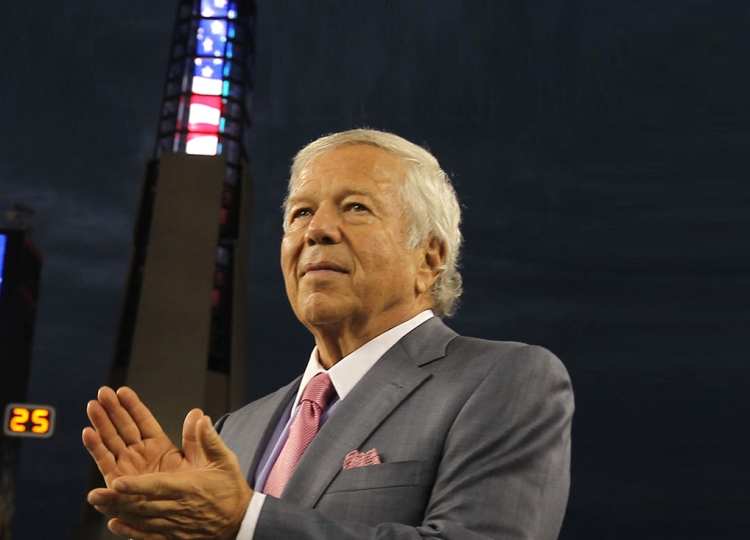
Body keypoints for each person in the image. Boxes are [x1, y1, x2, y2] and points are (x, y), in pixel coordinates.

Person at [83, 129, 574, 540]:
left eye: (355, 207)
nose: (316, 231)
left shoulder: (506, 380)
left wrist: (245, 522)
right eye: (301, 213)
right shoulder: (234, 431)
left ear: (429, 258)